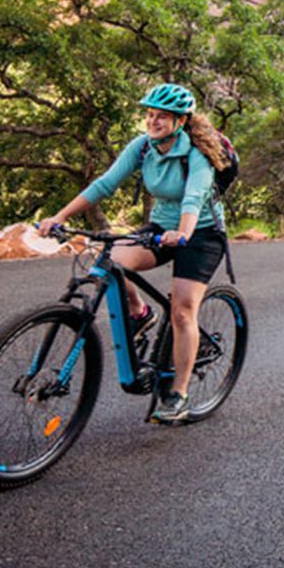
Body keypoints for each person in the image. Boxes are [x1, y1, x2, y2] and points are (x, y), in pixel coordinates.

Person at [38, 83, 229, 423]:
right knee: (108, 262)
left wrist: (183, 232)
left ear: (180, 122)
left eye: (162, 117)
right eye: (150, 115)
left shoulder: (197, 154)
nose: (152, 122)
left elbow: (194, 197)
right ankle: (140, 313)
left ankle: (178, 395)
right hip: (160, 227)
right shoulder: (143, 148)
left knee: (183, 311)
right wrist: (60, 216)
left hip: (199, 233)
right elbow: (104, 184)